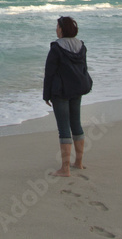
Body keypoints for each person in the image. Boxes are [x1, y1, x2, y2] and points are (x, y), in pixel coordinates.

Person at [43, 15, 92, 176]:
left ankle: (65, 169)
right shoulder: (81, 46)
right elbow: (84, 68)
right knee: (76, 124)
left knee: (64, 128)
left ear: (62, 29)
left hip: (61, 92)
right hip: (77, 90)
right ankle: (79, 162)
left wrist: (46, 95)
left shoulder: (56, 47)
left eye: (57, 27)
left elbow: (49, 73)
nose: (56, 29)